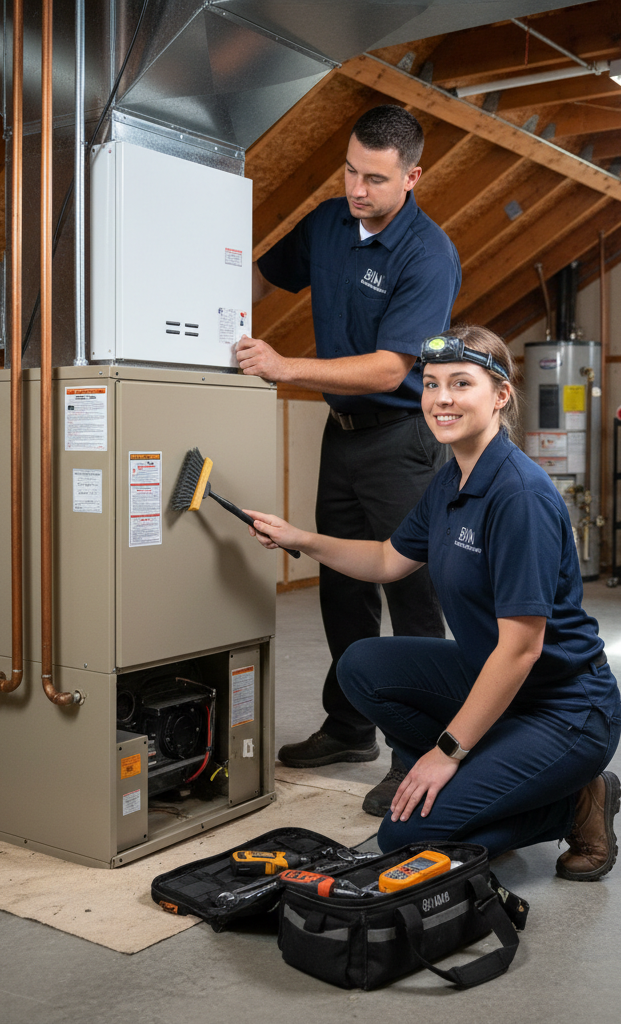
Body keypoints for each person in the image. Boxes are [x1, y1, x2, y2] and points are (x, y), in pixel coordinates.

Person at [243, 324, 621, 878]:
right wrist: (299, 538)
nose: (441, 399)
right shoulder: (450, 480)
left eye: (461, 383)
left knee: (407, 835)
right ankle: (491, 777)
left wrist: (446, 753)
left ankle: (575, 803)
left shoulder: (519, 495)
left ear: (500, 395)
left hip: (563, 708)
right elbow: (385, 560)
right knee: (362, 665)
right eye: (431, 384)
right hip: (492, 684)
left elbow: (520, 650)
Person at [236, 105, 462, 816]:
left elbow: (393, 368)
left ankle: (416, 753)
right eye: (348, 170)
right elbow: (262, 279)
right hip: (343, 434)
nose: (356, 188)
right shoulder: (328, 224)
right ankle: (349, 726)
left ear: (412, 176)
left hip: (403, 441)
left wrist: (281, 366)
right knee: (340, 583)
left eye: (373, 178)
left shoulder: (428, 254)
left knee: (413, 596)